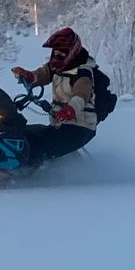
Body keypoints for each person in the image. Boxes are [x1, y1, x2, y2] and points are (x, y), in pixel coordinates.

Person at [13, 27, 103, 167]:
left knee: (37, 148)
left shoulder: (83, 73)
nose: (56, 57)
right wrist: (28, 76)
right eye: (54, 53)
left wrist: (71, 109)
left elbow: (81, 94)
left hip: (79, 127)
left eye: (61, 54)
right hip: (60, 124)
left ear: (72, 53)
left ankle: (24, 178)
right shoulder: (58, 67)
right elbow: (42, 74)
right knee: (26, 135)